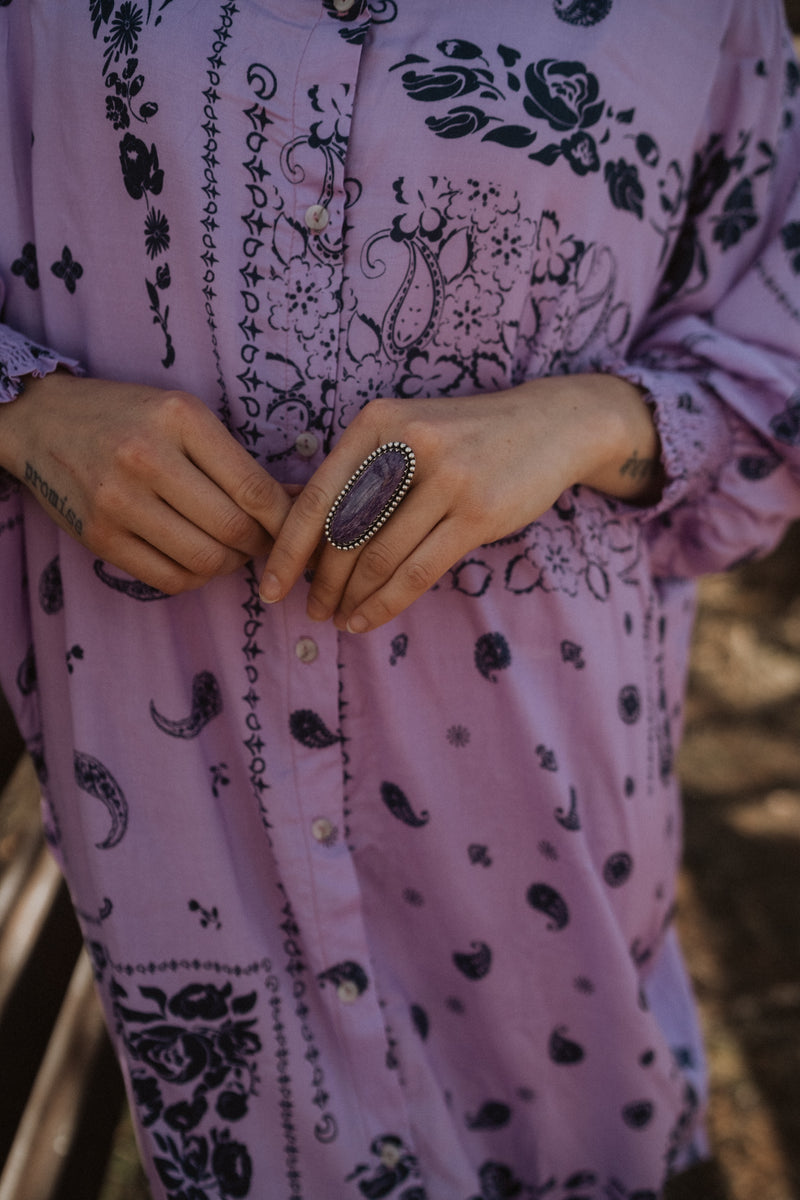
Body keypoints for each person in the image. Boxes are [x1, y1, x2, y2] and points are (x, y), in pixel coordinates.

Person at [1, 3, 799, 1197]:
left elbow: (776, 356)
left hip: (542, 801)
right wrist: (23, 409)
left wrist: (587, 419)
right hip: (180, 808)